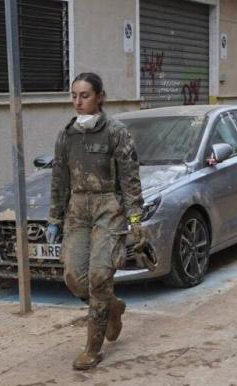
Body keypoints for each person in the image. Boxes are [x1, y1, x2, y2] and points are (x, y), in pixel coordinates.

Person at [46, 72, 145, 370]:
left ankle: (92, 348)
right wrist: (54, 218)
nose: (78, 102)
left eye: (84, 95)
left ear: (100, 97)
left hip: (108, 207)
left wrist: (135, 218)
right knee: (75, 278)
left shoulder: (116, 132)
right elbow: (59, 179)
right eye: (74, 96)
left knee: (100, 276)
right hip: (77, 208)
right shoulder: (66, 135)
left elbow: (130, 178)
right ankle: (112, 308)